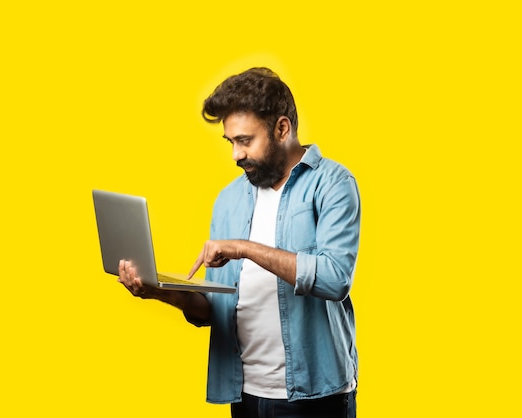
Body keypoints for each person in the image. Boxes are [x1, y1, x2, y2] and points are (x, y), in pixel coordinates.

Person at [118, 67, 361, 418]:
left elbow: (334, 278)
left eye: (245, 141)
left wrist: (244, 248)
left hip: (315, 398)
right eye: (231, 142)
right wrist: (156, 290)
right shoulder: (228, 200)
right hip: (243, 393)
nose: (235, 154)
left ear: (282, 128)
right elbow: (215, 309)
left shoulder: (333, 183)